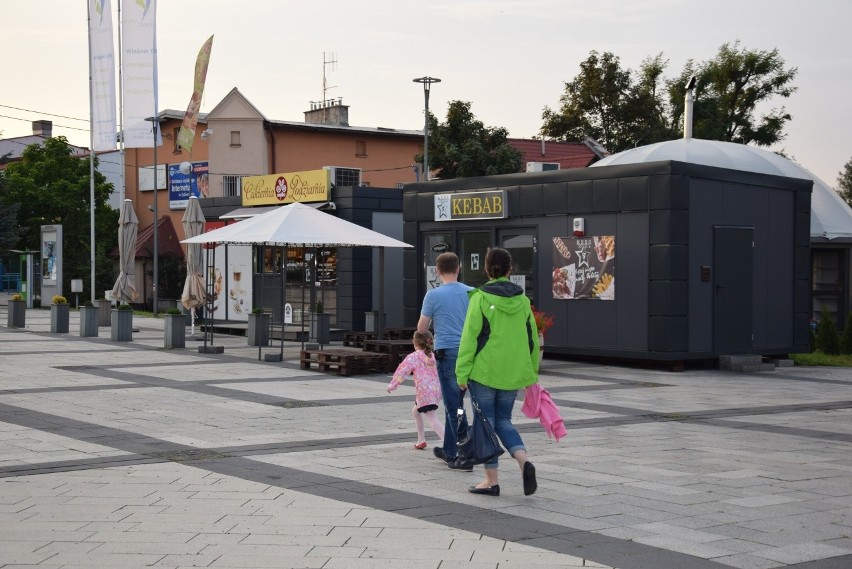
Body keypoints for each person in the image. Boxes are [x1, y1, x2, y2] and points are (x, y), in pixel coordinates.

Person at [456, 247, 539, 497]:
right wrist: (531, 373)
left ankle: (491, 481)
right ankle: (524, 460)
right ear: (510, 270)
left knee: (485, 424)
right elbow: (532, 339)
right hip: (512, 372)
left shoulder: (480, 298)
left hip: (484, 371)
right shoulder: (523, 301)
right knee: (503, 420)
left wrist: (461, 373)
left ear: (486, 268)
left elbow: (469, 339)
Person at [417, 252, 474, 471]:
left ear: (438, 271)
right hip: (469, 353)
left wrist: (431, 336)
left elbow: (422, 329)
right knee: (457, 402)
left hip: (447, 352)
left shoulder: (433, 295)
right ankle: (449, 450)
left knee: (453, 408)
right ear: (458, 268)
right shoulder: (471, 293)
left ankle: (465, 453)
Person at [387, 330, 444, 449]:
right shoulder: (432, 355)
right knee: (416, 412)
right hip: (435, 391)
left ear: (415, 342)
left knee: (432, 417)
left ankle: (449, 442)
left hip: (424, 392)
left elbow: (402, 371)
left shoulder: (414, 356)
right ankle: (421, 440)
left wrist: (393, 385)